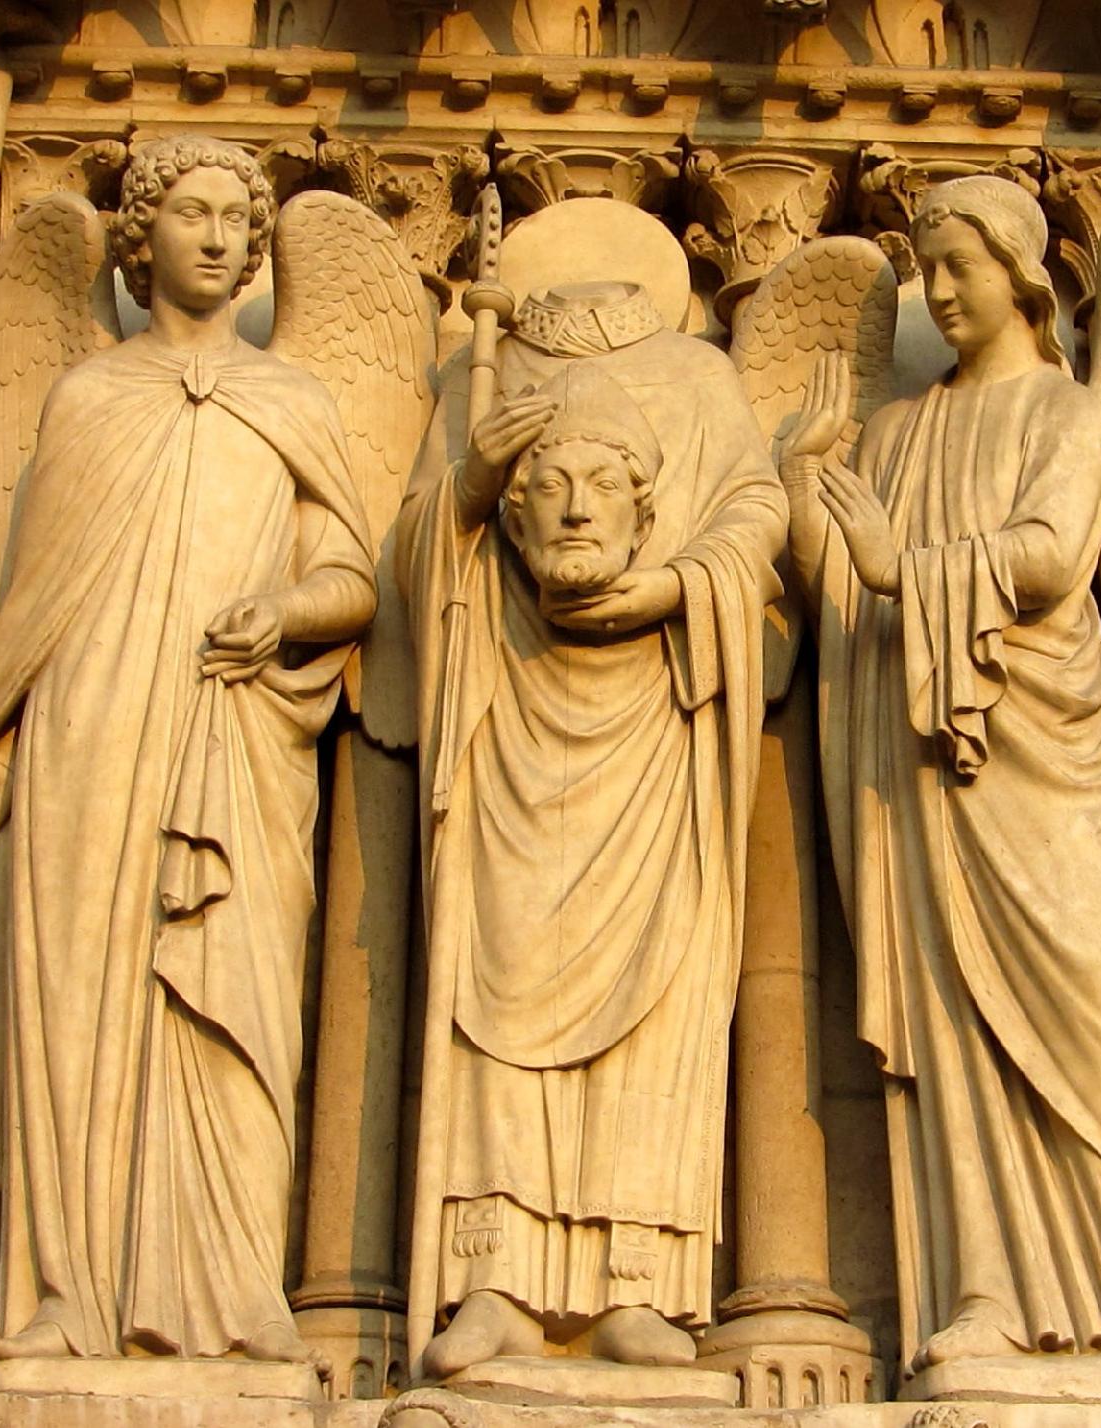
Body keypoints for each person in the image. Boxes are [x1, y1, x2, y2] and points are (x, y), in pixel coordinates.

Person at [783, 175, 1101, 1376]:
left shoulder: (1066, 410)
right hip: (925, 760)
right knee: (957, 1022)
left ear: (1022, 272)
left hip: (1043, 741)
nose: (940, 291)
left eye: (962, 265)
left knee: (1098, 1000)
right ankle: (984, 1286)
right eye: (926, 270)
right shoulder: (896, 433)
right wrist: (800, 482)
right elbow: (839, 595)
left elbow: (1050, 560)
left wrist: (903, 569)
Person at [0, 136, 375, 1363]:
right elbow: (28, 614)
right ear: (140, 239)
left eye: (237, 219)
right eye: (191, 214)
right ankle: (66, 1292)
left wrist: (286, 610)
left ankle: (231, 1293)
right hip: (88, 732)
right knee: (79, 999)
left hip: (233, 731)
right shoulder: (87, 397)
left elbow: (351, 574)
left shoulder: (294, 401)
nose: (217, 238)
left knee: (237, 1001)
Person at [397, 283, 785, 1376]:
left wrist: (674, 587)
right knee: (495, 980)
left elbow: (757, 512)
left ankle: (636, 1283)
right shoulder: (486, 371)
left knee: (658, 999)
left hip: (659, 719)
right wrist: (472, 480)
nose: (574, 510)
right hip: (508, 713)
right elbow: (414, 546)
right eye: (552, 489)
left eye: (602, 488)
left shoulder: (697, 376)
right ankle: (493, 1280)